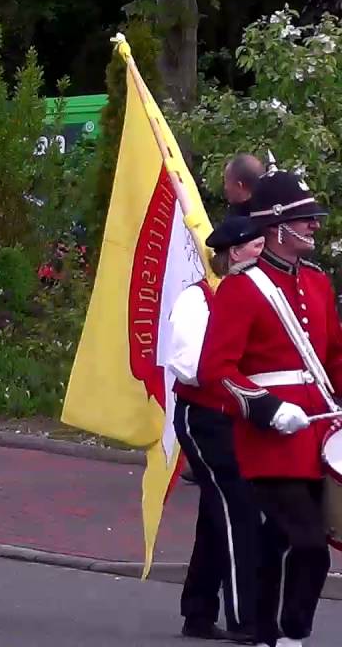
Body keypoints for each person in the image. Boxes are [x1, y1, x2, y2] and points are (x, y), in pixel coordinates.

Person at [199, 171, 339, 647]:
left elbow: (334, 359)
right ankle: (290, 633)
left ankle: (269, 635)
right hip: (270, 438)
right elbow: (216, 368)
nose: (315, 228)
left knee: (279, 542)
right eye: (306, 221)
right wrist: (266, 409)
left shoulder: (319, 284)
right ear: (278, 227)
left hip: (317, 433)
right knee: (308, 544)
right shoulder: (242, 289)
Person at [165, 215, 264, 643]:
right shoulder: (199, 298)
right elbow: (189, 366)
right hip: (204, 417)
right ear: (234, 253)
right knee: (237, 510)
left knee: (216, 512)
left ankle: (199, 612)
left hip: (233, 417)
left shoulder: (256, 295)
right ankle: (246, 618)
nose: (263, 251)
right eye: (256, 246)